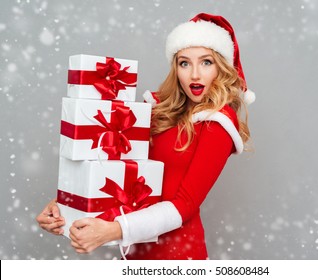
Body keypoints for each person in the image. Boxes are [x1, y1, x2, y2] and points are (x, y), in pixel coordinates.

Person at [36, 13, 255, 260]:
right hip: (134, 251)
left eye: (206, 62)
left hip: (177, 257)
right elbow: (116, 166)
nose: (194, 74)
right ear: (176, 67)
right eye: (184, 63)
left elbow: (184, 206)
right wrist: (65, 205)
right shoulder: (158, 110)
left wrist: (113, 230)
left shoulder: (219, 123)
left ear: (221, 66)